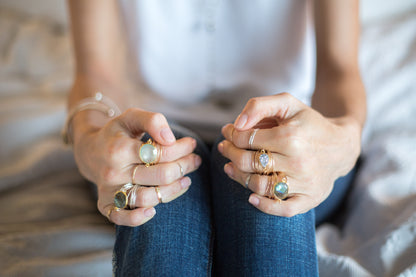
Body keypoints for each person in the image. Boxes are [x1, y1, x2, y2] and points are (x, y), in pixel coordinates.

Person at [65, 0, 366, 276]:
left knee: (269, 187)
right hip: (155, 130)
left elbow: (338, 70)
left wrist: (345, 136)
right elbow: (95, 73)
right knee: (158, 187)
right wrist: (88, 140)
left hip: (283, 133)